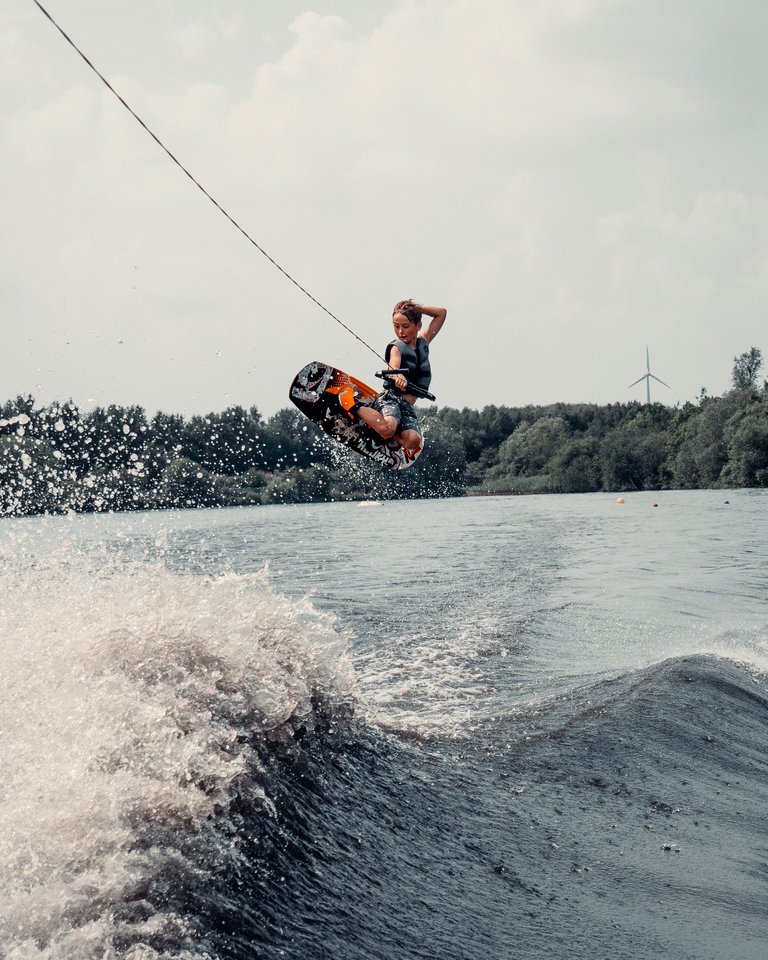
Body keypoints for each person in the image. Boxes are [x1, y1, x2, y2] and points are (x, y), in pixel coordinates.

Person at [341, 299, 446, 458]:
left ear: (418, 325)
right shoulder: (397, 347)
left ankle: (393, 437)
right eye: (396, 326)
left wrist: (415, 308)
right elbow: (393, 366)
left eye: (405, 326)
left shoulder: (424, 342)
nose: (400, 331)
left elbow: (441, 313)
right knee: (388, 427)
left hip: (407, 407)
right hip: (392, 399)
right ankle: (351, 403)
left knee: (414, 440)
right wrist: (397, 375)